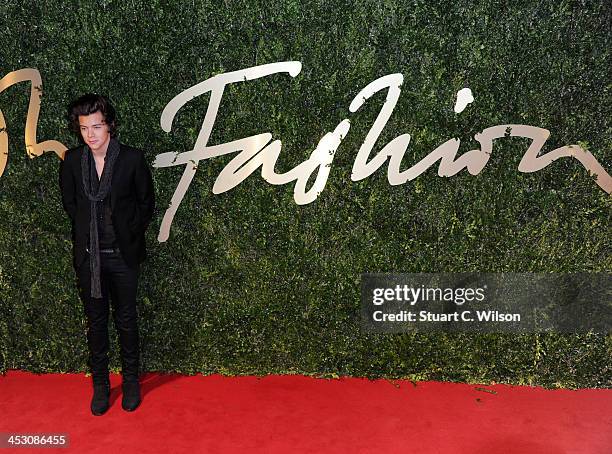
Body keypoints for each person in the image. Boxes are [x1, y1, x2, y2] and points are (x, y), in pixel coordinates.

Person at [59, 94, 155, 415]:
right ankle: (100, 384)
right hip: (89, 259)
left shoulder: (132, 160)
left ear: (109, 125)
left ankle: (130, 382)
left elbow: (146, 205)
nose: (91, 135)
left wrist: (127, 232)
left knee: (126, 320)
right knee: (96, 322)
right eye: (84, 128)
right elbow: (72, 206)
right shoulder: (72, 161)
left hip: (123, 257)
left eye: (97, 126)